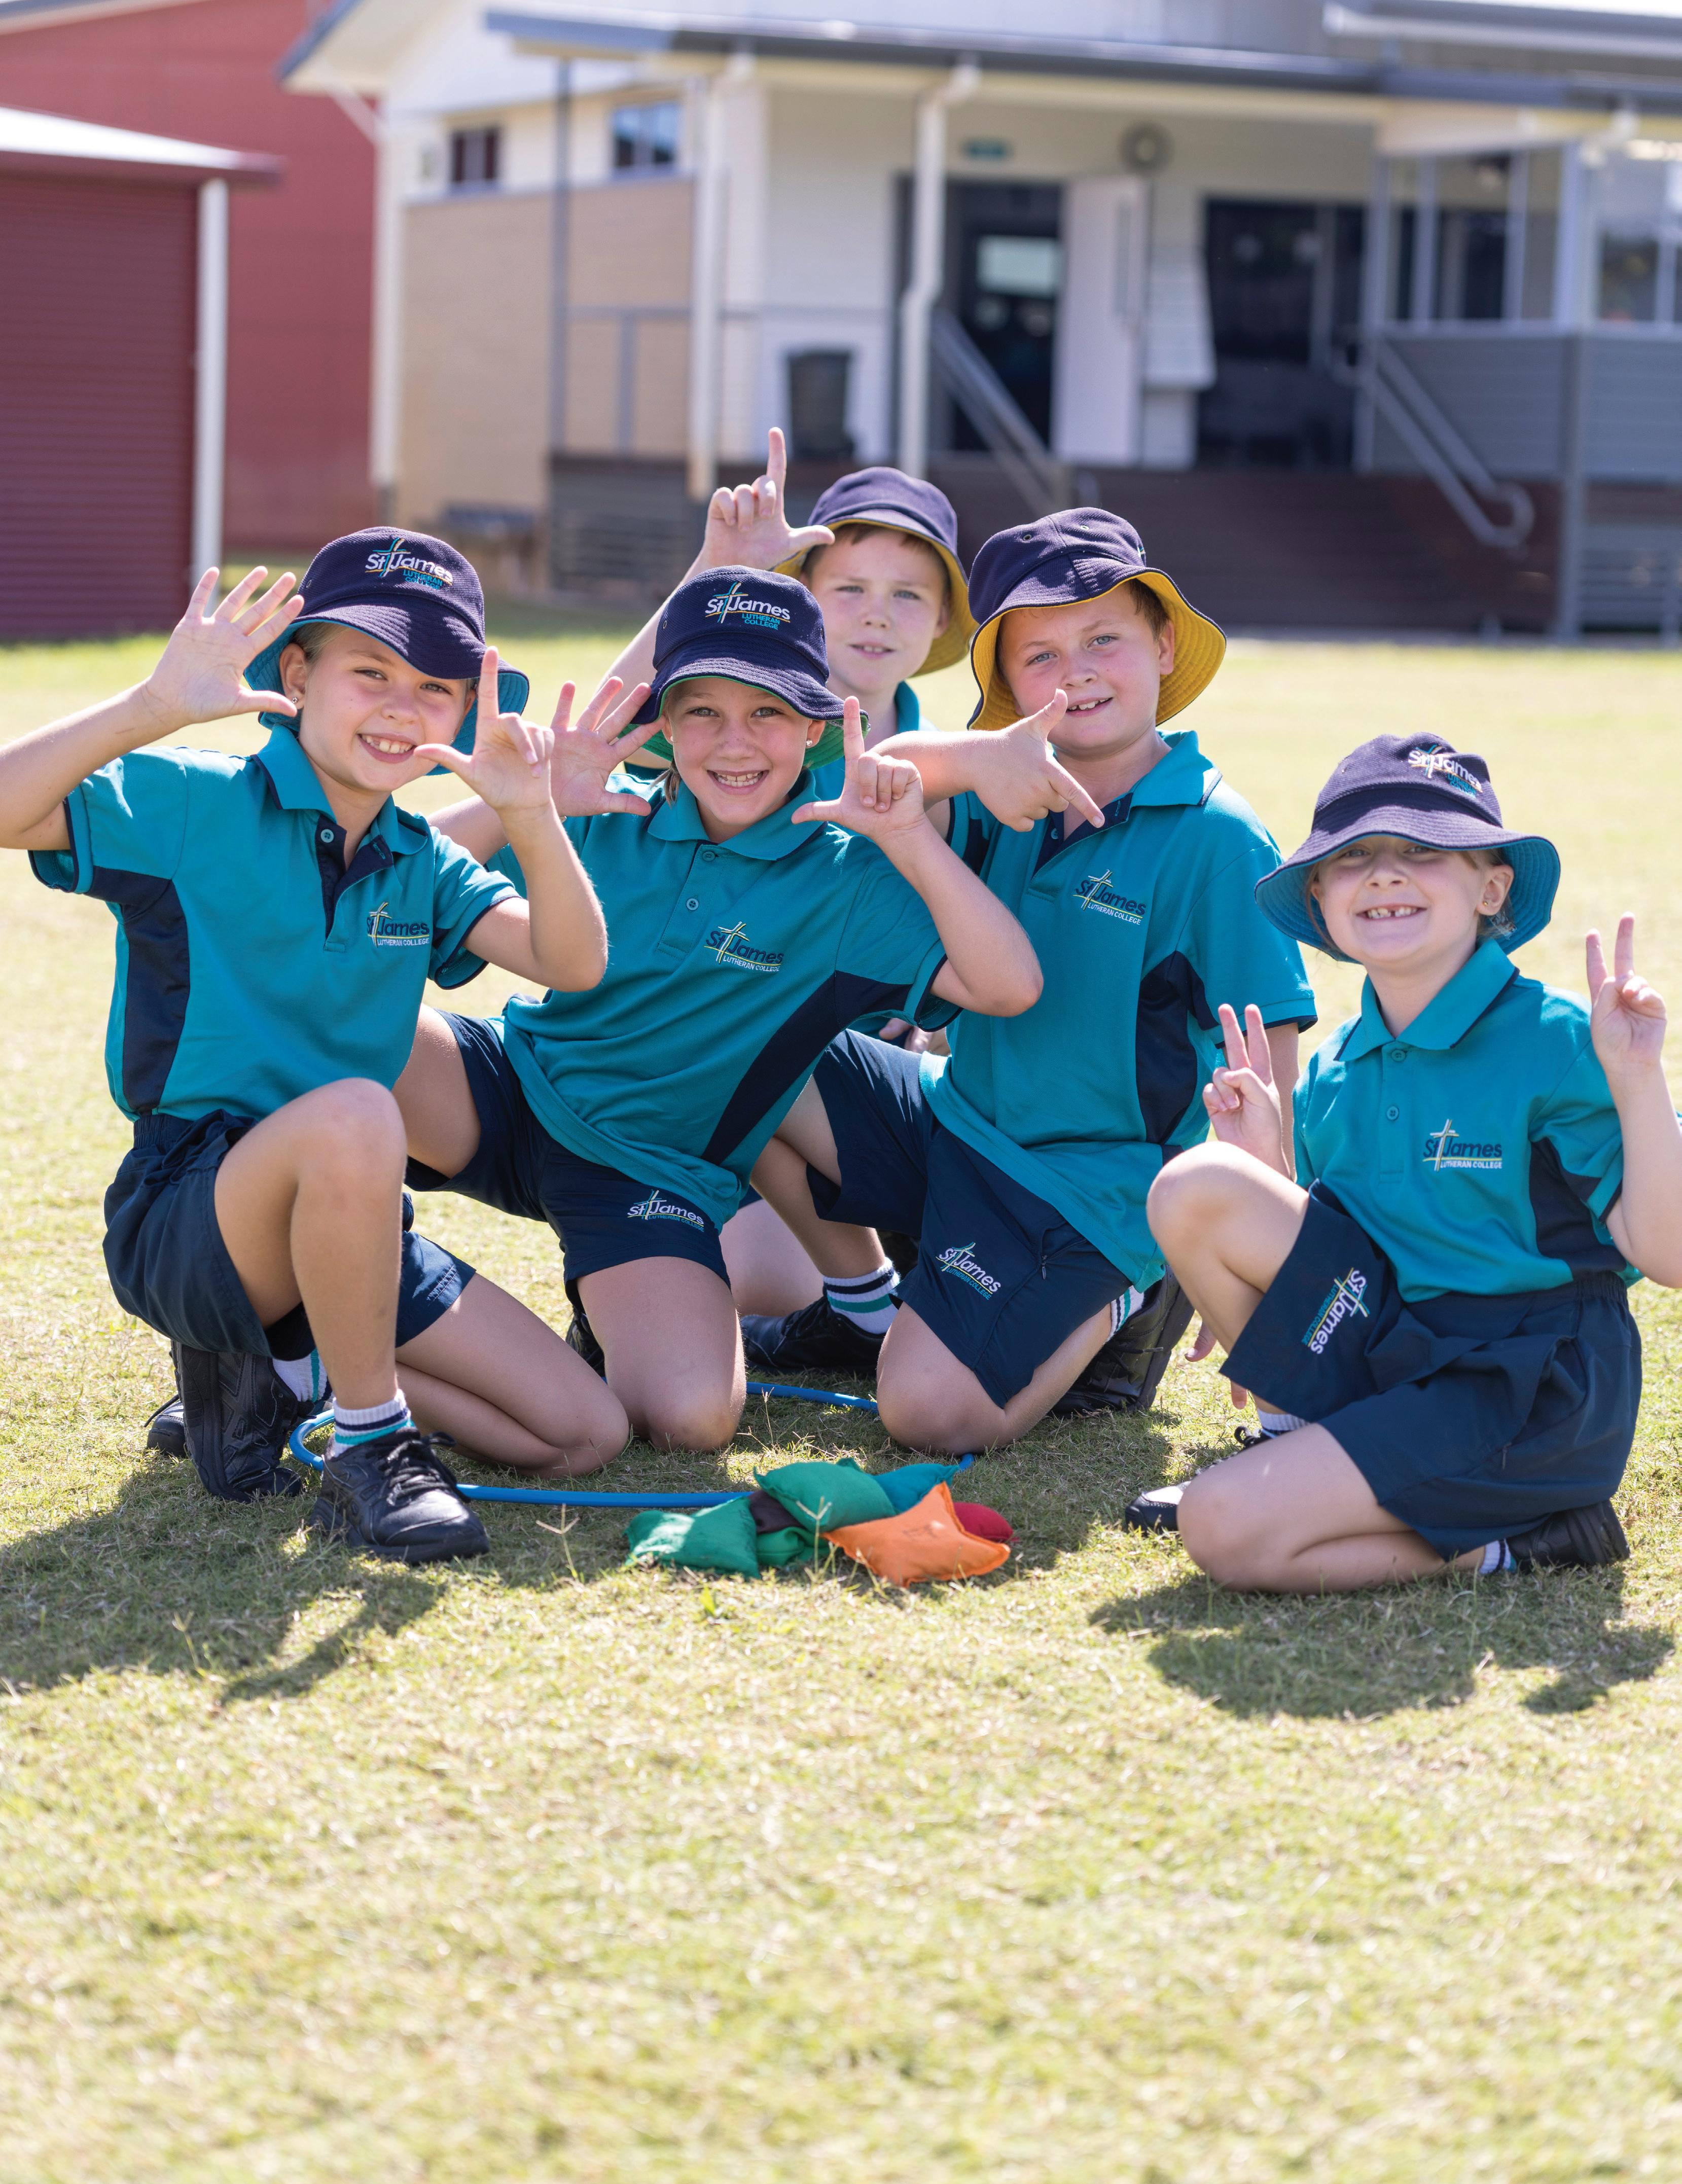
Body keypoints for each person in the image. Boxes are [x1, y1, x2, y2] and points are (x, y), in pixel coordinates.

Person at [1, 533, 630, 1560]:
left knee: (581, 1433)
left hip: (354, 1217)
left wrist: (530, 812)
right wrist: (150, 707)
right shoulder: (196, 800)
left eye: (435, 689)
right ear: (296, 676)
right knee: (358, 1111)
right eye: (370, 672)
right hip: (190, 1210)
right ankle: (370, 1443)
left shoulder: (423, 860)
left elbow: (573, 960)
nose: (401, 708)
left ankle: (301, 1380)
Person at [397, 565, 1043, 1455]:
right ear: (663, 725)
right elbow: (373, 888)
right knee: (332, 1034)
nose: (734, 743)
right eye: (702, 711)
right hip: (507, 1091)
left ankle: (390, 1342)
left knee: (691, 1419)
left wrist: (908, 839)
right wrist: (523, 808)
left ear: (816, 725)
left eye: (767, 712)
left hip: (649, 1174)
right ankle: (292, 1304)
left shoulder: (846, 874)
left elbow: (1008, 987)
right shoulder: (606, 809)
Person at [740, 507, 1317, 1455]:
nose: (1075, 671)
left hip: (1090, 1183)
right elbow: (871, 777)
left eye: (1102, 640)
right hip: (956, 1118)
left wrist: (1253, 1236)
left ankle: (1131, 1290)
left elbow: (1268, 1057)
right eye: (1039, 656)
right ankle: (863, 1304)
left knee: (927, 1416)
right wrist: (976, 760)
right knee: (744, 1034)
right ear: (1008, 686)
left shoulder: (1215, 835)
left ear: (1163, 647)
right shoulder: (999, 790)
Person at [1134, 732, 1681, 1590]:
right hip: (1401, 1356)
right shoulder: (1331, 1070)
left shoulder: (1561, 1040)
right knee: (1198, 1185)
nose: (1384, 876)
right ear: (1319, 900)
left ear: (1491, 889)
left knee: (1220, 1527)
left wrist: (1639, 1076)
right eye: (1351, 858)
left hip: (1529, 1384)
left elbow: (1668, 1255)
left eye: (1422, 851)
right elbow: (1337, 1260)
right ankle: (1292, 1447)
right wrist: (1263, 1162)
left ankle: (1535, 1539)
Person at [600, 432, 979, 1316]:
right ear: (801, 595)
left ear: (940, 624)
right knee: (757, 1292)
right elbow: (600, 734)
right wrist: (717, 571)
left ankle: (898, 1250)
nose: (876, 616)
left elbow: (973, 971)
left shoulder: (959, 769)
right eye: (849, 589)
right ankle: (852, 1283)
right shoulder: (731, 735)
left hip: (866, 1092)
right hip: (710, 1074)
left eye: (907, 595)